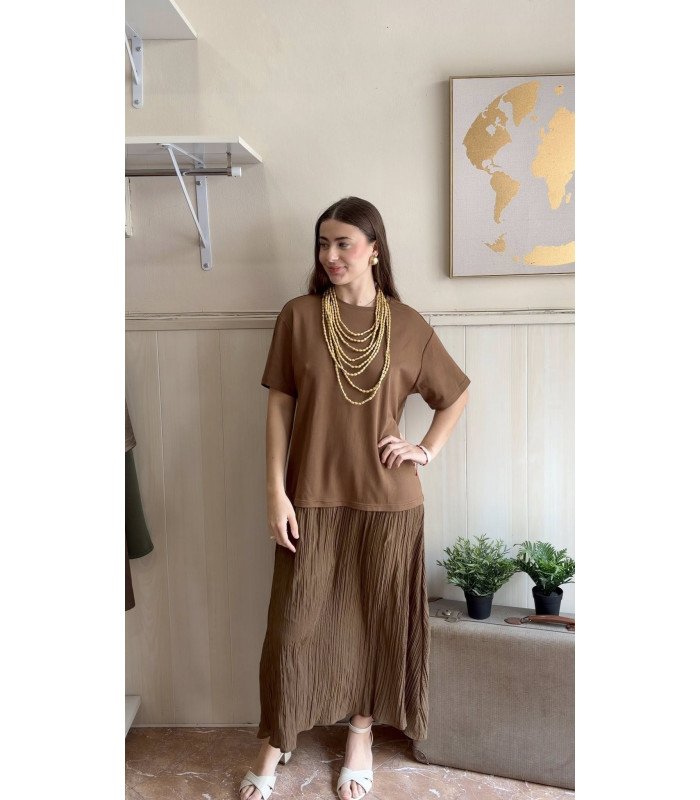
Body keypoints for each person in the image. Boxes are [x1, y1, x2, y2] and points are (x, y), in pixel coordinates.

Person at [239, 196, 470, 800]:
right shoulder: (298, 317)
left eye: (344, 243)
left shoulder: (409, 325)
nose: (331, 255)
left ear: (374, 250)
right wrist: (275, 492)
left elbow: (454, 395)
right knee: (293, 628)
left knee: (374, 624)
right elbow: (279, 408)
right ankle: (276, 739)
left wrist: (424, 450)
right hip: (311, 499)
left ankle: (360, 735)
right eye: (324, 243)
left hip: (389, 504)